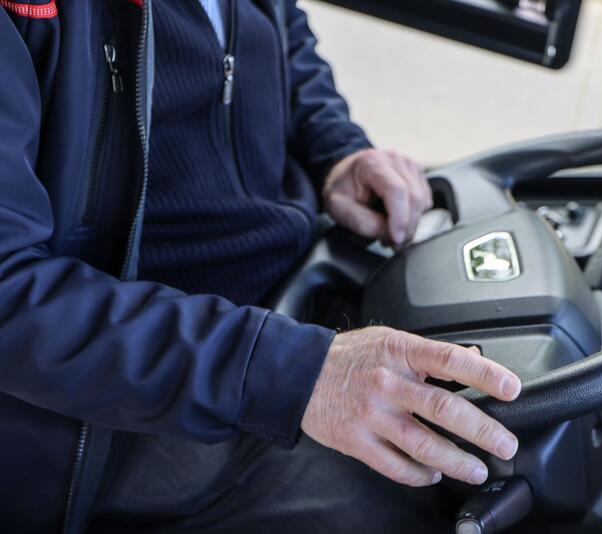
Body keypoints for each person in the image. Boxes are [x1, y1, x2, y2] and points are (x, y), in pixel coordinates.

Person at [0, 0, 521, 532]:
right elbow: (7, 293)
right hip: (127, 400)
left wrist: (337, 151)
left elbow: (277, 29)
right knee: (428, 505)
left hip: (292, 298)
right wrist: (290, 371)